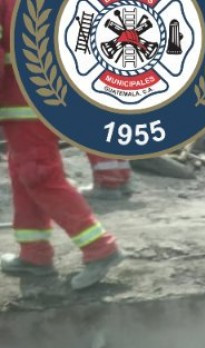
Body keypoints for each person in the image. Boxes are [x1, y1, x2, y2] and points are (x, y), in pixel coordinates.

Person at [0, 0, 124, 290]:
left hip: (27, 103)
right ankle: (34, 255)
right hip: (36, 101)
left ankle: (101, 248)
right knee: (23, 172)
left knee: (37, 173)